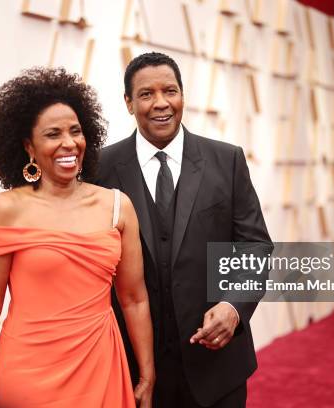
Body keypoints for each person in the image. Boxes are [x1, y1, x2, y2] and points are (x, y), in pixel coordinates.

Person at [0, 67, 154, 408]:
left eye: (75, 131)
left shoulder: (117, 206)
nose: (69, 143)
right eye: (53, 134)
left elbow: (134, 298)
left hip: (101, 367)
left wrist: (146, 372)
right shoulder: (6, 209)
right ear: (29, 147)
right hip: (26, 373)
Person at [96, 52, 273, 407]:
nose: (161, 103)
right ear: (128, 103)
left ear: (183, 96)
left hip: (218, 368)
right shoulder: (100, 168)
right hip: (135, 369)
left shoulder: (227, 160)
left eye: (170, 91)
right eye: (146, 94)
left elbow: (256, 247)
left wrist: (233, 306)